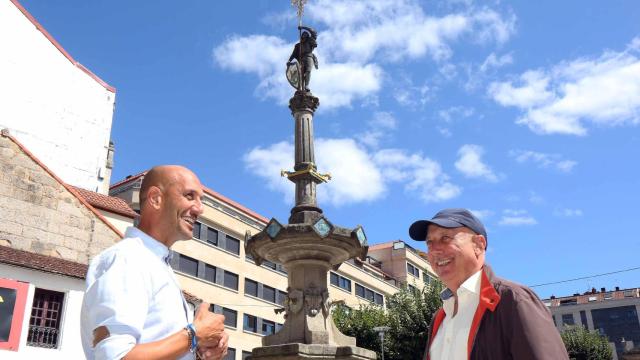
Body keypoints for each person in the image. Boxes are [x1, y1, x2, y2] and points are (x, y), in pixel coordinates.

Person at [81, 165, 229, 360]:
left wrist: (201, 350)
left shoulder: (156, 265)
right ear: (155, 198)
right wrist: (194, 335)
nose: (199, 209)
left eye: (201, 200)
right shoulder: (128, 259)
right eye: (190, 196)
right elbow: (116, 356)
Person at [409, 208, 568, 360]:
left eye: (445, 238)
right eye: (429, 242)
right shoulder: (439, 319)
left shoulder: (514, 300)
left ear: (478, 245)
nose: (434, 249)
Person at [287, 25, 318, 91]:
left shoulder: (309, 41)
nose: (304, 35)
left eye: (306, 34)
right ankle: (300, 88)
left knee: (308, 71)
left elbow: (313, 32)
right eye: (303, 34)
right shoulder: (298, 45)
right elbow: (293, 54)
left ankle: (306, 85)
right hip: (301, 59)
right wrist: (289, 61)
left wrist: (303, 27)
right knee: (300, 74)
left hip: (309, 57)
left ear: (307, 36)